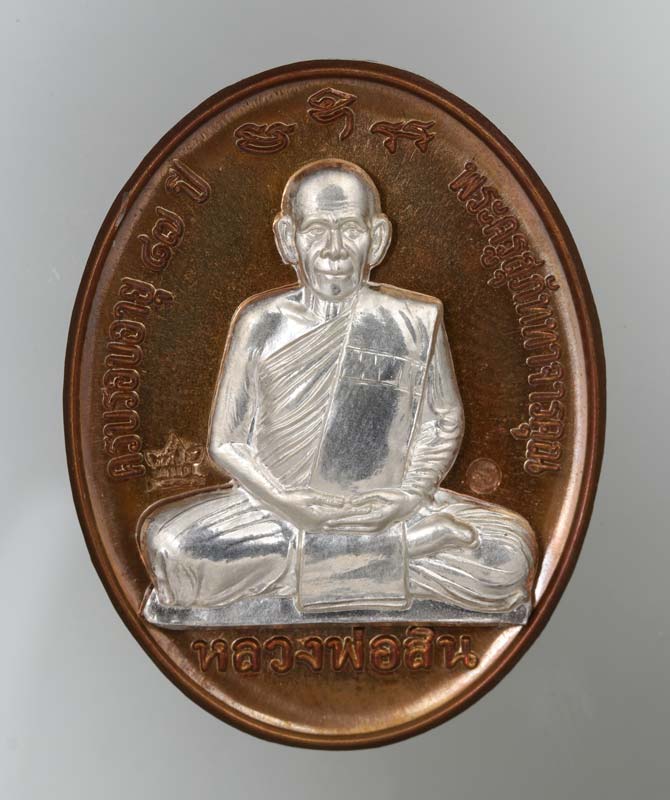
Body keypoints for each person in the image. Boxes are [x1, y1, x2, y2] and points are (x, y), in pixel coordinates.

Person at [139, 159, 537, 616]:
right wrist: (289, 503)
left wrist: (406, 498)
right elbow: (227, 442)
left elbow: (442, 421)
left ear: (377, 238)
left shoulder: (415, 320)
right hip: (277, 512)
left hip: (391, 507)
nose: (334, 250)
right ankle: (404, 551)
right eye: (316, 231)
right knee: (174, 550)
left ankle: (338, 558)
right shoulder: (260, 323)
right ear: (288, 239)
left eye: (350, 229)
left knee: (510, 553)